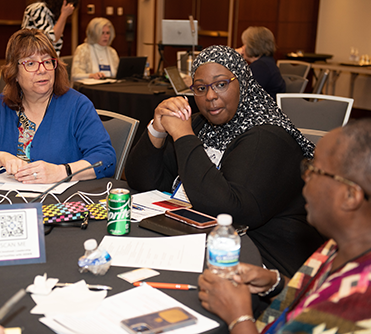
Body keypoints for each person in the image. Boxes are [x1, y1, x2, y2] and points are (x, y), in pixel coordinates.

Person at [125, 45, 324, 277]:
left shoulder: (267, 136)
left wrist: (183, 137)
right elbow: (143, 181)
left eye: (221, 84)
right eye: (200, 88)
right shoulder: (202, 125)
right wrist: (157, 129)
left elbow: (229, 211)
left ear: (243, 82)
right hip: (204, 240)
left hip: (263, 262)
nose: (210, 96)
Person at [198, 118, 371, 334]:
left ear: (350, 196)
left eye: (314, 170)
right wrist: (277, 284)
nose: (305, 179)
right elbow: (314, 302)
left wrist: (239, 317)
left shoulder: (369, 303)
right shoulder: (347, 243)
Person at [0, 29, 116, 183]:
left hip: (62, 202)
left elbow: (105, 159)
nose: (42, 70)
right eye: (30, 63)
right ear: (14, 73)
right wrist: (1, 157)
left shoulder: (77, 105)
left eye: (47, 61)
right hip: (9, 202)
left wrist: (62, 172)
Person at [236, 27, 285, 100]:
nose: (242, 48)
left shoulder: (261, 66)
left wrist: (234, 58)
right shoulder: (266, 62)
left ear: (253, 46)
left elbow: (242, 93)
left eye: (244, 44)